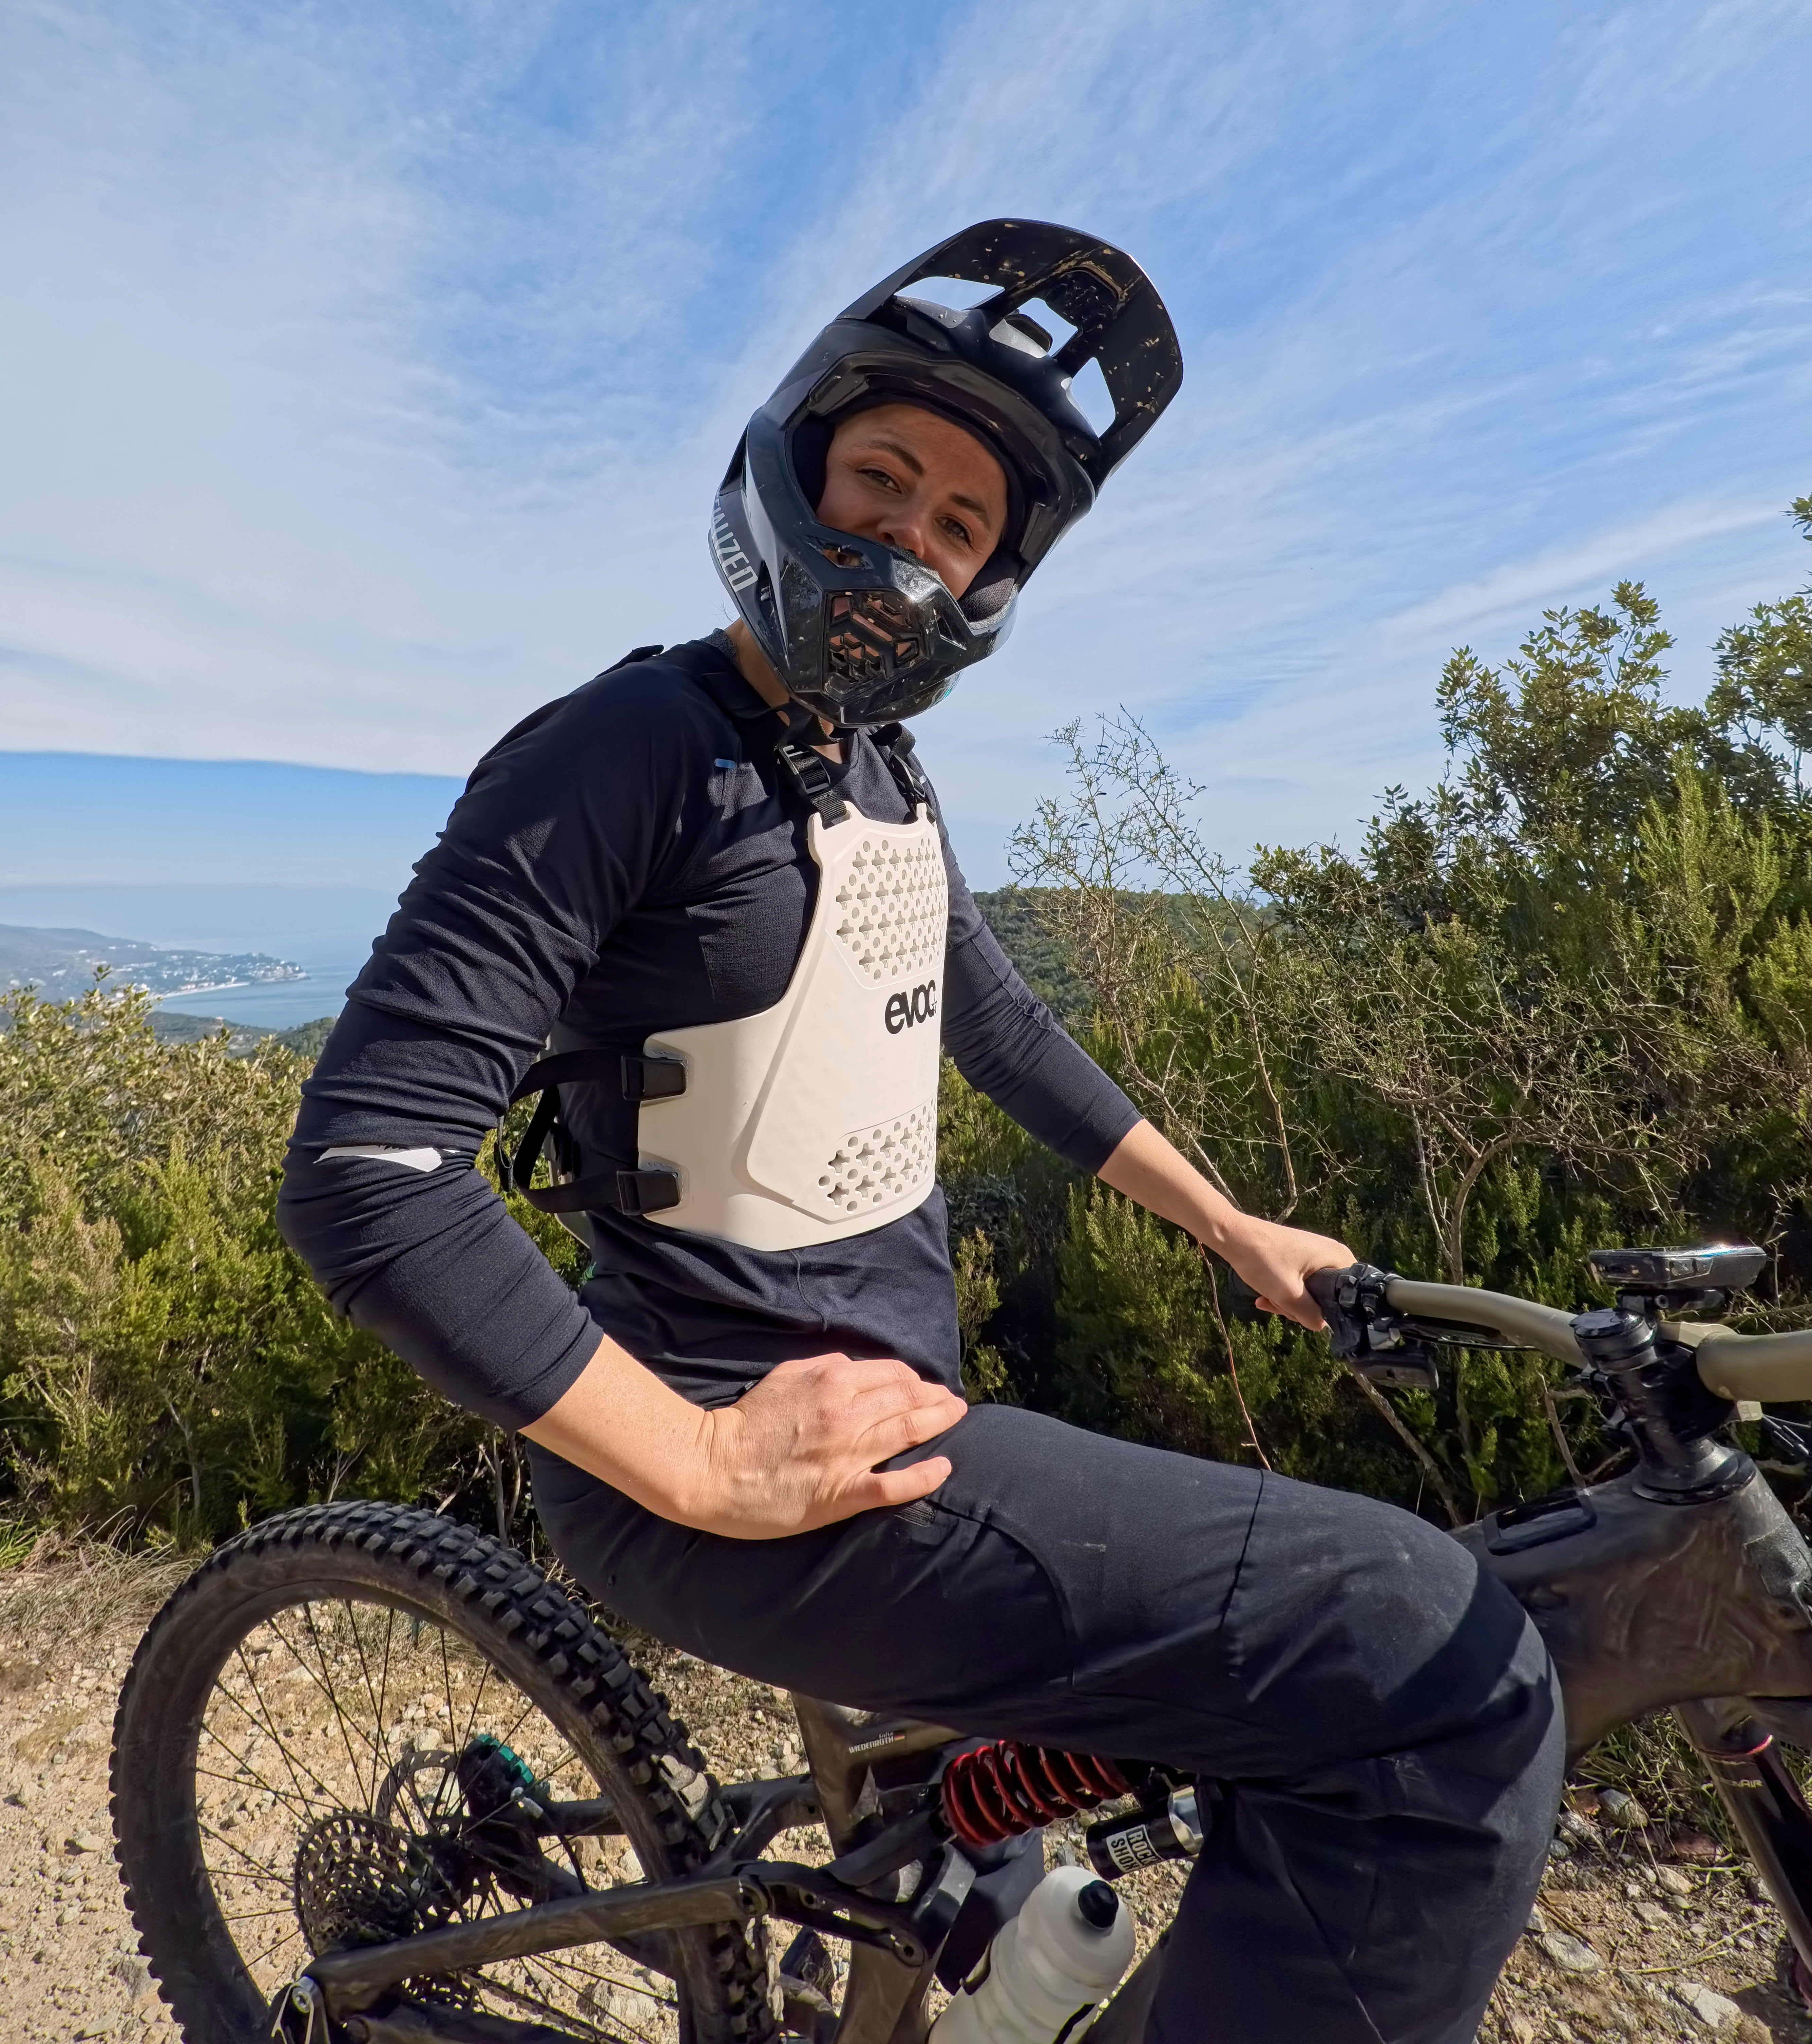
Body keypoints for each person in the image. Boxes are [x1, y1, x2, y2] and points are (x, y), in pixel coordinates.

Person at [281, 219, 1562, 2044]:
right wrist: (704, 1465)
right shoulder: (635, 743)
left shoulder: (882, 773)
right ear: (792, 477)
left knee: (1030, 1848)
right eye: (882, 480)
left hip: (898, 1406)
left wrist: (1230, 1229)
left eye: (960, 525)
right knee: (1432, 1665)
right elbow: (369, 1168)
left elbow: (998, 1024)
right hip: (730, 1465)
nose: (910, 543)